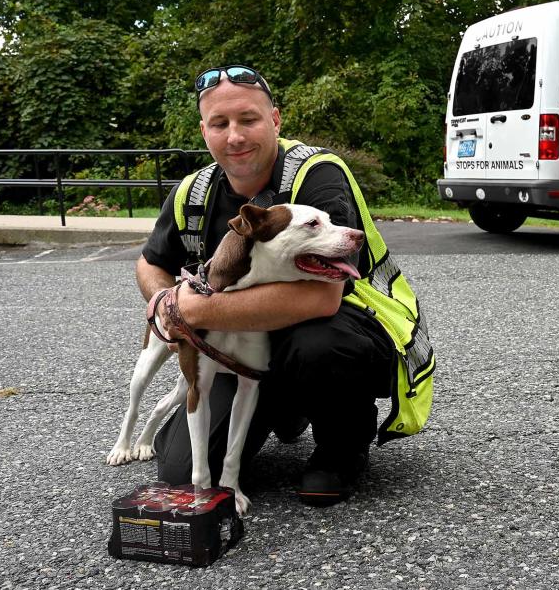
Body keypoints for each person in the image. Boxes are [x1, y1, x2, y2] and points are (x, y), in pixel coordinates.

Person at [137, 65, 434, 506]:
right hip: (241, 344)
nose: (234, 136)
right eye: (220, 124)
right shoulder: (193, 192)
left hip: (343, 326)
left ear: (275, 119)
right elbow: (150, 263)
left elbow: (323, 294)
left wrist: (195, 311)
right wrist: (164, 300)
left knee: (320, 345)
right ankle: (283, 404)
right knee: (182, 472)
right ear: (205, 131)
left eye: (248, 119)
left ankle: (340, 449)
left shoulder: (316, 174)